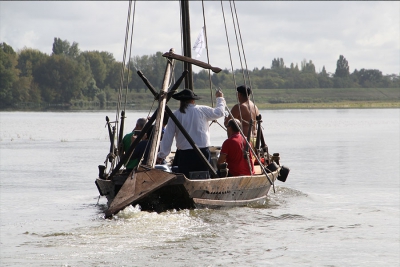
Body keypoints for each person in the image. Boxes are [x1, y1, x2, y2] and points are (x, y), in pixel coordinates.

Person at [157, 89, 225, 178]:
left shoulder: (176, 114)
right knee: (203, 177)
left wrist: (162, 155)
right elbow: (219, 112)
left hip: (185, 155)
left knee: (185, 177)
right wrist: (220, 98)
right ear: (193, 101)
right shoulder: (201, 110)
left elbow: (168, 137)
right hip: (202, 152)